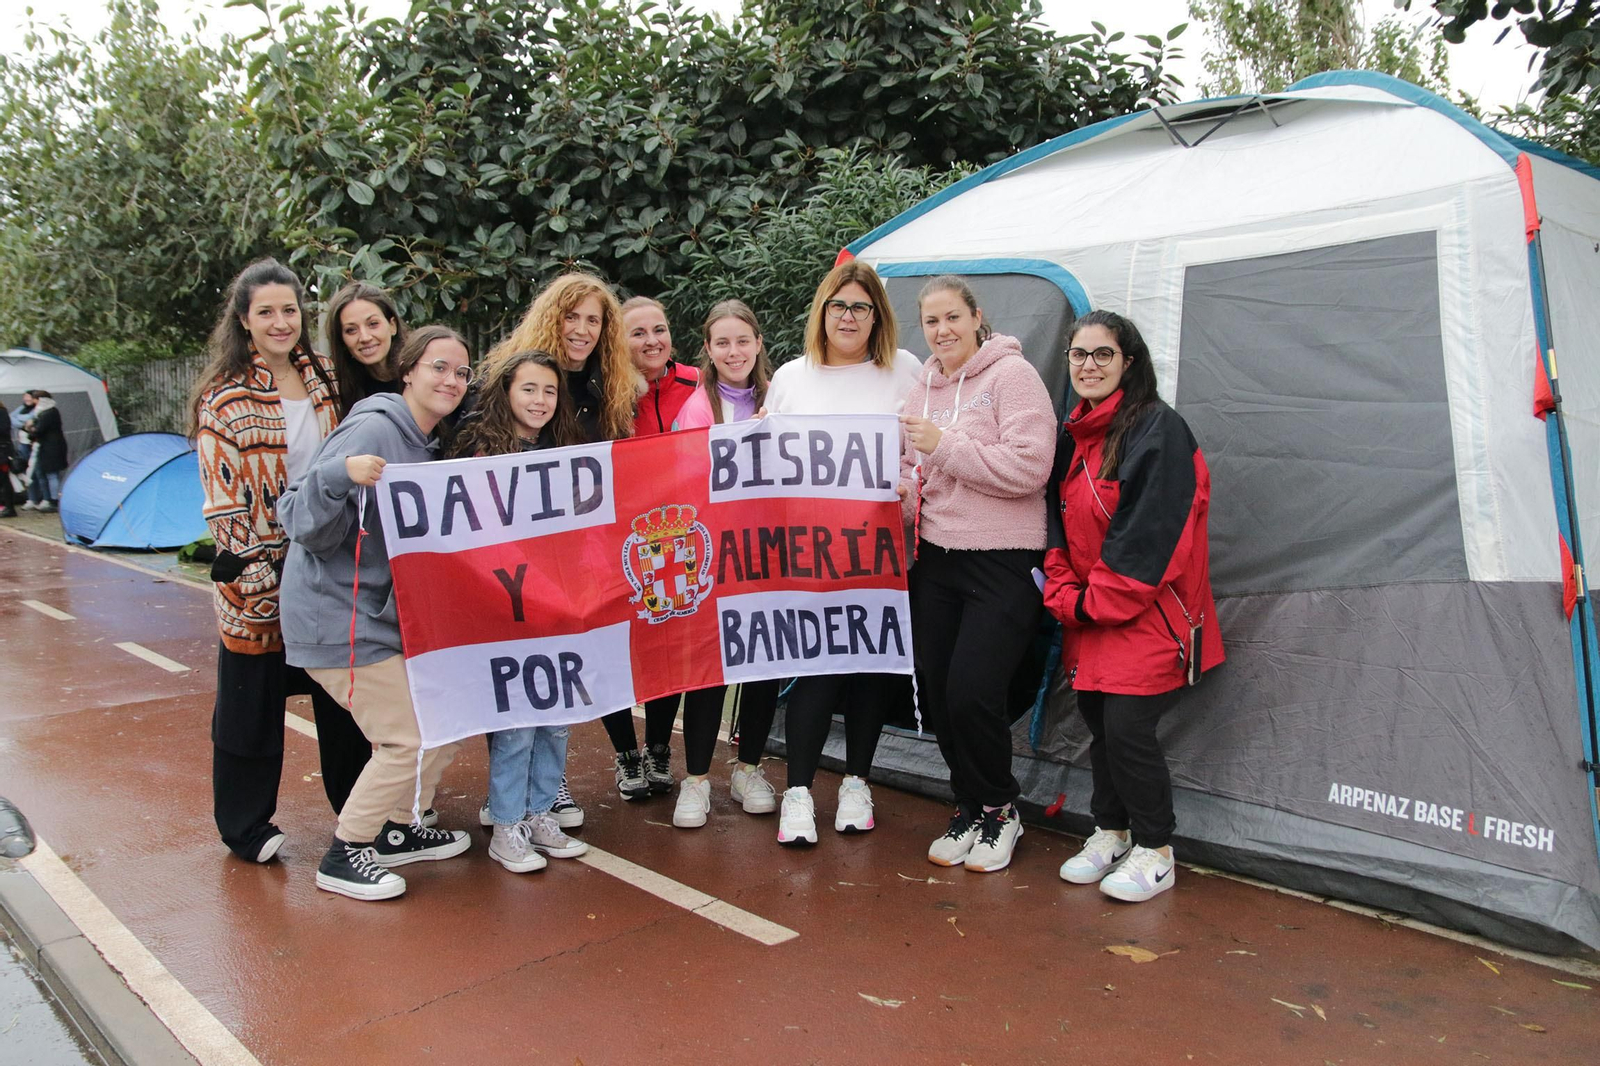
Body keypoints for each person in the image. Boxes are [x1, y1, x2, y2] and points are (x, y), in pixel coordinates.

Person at [278, 325, 476, 901]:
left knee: (445, 721)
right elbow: (298, 516)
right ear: (408, 370)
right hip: (335, 617)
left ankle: (396, 828)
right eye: (439, 367)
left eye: (461, 372)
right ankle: (346, 852)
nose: (451, 380)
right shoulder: (374, 426)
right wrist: (341, 474)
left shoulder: (432, 441)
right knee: (406, 738)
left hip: (385, 615)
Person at [189, 258, 372, 865]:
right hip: (260, 571)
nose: (280, 321)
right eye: (265, 311)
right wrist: (256, 574)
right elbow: (223, 502)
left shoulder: (323, 377)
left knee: (343, 697)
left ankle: (357, 813)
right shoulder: (224, 397)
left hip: (328, 559)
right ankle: (246, 826)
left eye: (289, 310)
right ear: (244, 319)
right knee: (252, 703)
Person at [1043, 309, 1224, 903]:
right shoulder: (1073, 435)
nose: (1088, 365)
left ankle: (1156, 847)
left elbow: (1153, 536)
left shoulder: (1159, 430)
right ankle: (1111, 829)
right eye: (1078, 354)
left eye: (1102, 354)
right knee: (1099, 724)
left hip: (1150, 615)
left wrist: (1087, 603)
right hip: (1092, 612)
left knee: (1127, 727)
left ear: (1129, 362)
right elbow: (1059, 526)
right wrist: (1064, 589)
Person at [762, 259, 923, 846]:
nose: (849, 316)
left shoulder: (905, 371)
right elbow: (766, 464)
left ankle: (857, 781)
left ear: (877, 315)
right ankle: (799, 792)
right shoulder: (790, 377)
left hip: (881, 554)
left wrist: (909, 485)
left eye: (861, 306)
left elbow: (920, 453)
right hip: (808, 556)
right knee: (815, 670)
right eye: (839, 305)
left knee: (869, 671)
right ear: (822, 312)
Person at [900, 276, 1056, 873]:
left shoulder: (1011, 377)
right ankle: (968, 803)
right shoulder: (923, 387)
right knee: (937, 690)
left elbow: (1030, 469)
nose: (942, 332)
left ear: (976, 317)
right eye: (932, 322)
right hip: (936, 559)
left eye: (952, 318)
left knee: (973, 691)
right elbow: (919, 472)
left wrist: (942, 446)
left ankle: (1000, 809)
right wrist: (902, 493)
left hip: (1002, 558)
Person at [490, 274, 649, 800]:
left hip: (576, 554)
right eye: (571, 316)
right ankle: (514, 793)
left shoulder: (610, 387)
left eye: (593, 320)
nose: (581, 329)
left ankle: (546, 782)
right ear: (550, 318)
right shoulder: (516, 377)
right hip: (514, 554)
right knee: (518, 670)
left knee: (564, 663)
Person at [450, 350, 589, 871]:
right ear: (506, 391)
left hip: (557, 601)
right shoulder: (474, 447)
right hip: (504, 604)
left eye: (550, 391)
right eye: (529, 389)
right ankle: (506, 824)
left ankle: (538, 812)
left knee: (557, 716)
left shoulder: (566, 446)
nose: (540, 400)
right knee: (516, 721)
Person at [665, 300, 782, 826]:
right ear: (708, 351)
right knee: (709, 667)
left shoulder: (782, 398)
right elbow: (681, 480)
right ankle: (695, 780)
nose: (733, 352)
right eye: (722, 343)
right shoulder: (697, 407)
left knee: (763, 664)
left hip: (770, 553)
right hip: (713, 557)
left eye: (742, 341)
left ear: (758, 343)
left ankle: (749, 767)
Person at [612, 295, 698, 795]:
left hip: (677, 536)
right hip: (616, 539)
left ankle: (659, 748)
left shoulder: (694, 382)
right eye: (638, 332)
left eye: (659, 330)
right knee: (615, 649)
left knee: (670, 642)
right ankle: (625, 753)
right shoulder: (608, 392)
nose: (651, 341)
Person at [325, 281, 407, 418]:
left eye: (373, 324)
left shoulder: (421, 372)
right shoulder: (337, 388)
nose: (364, 337)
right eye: (351, 330)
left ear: (392, 326)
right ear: (342, 340)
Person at [24, 389, 65, 513]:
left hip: (49, 447)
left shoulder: (47, 413)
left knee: (51, 474)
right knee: (45, 473)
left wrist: (29, 428)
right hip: (49, 446)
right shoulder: (50, 411)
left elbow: (39, 430)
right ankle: (49, 499)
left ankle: (53, 500)